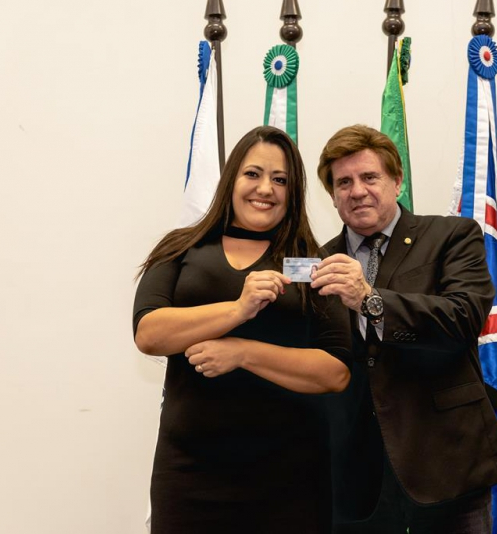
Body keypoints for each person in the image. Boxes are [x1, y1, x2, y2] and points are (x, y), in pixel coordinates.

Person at [133, 126, 351, 534]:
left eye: (280, 179)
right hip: (189, 475)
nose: (265, 188)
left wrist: (242, 353)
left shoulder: (310, 264)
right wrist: (238, 309)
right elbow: (149, 334)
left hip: (291, 481)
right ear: (231, 179)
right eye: (253, 174)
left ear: (294, 191)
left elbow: (336, 372)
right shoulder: (182, 249)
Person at [311, 125, 497, 534]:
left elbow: (463, 318)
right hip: (355, 478)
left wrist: (370, 299)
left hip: (446, 464)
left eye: (370, 177)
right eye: (343, 182)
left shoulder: (452, 236)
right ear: (332, 195)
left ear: (397, 180)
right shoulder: (317, 263)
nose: (357, 191)